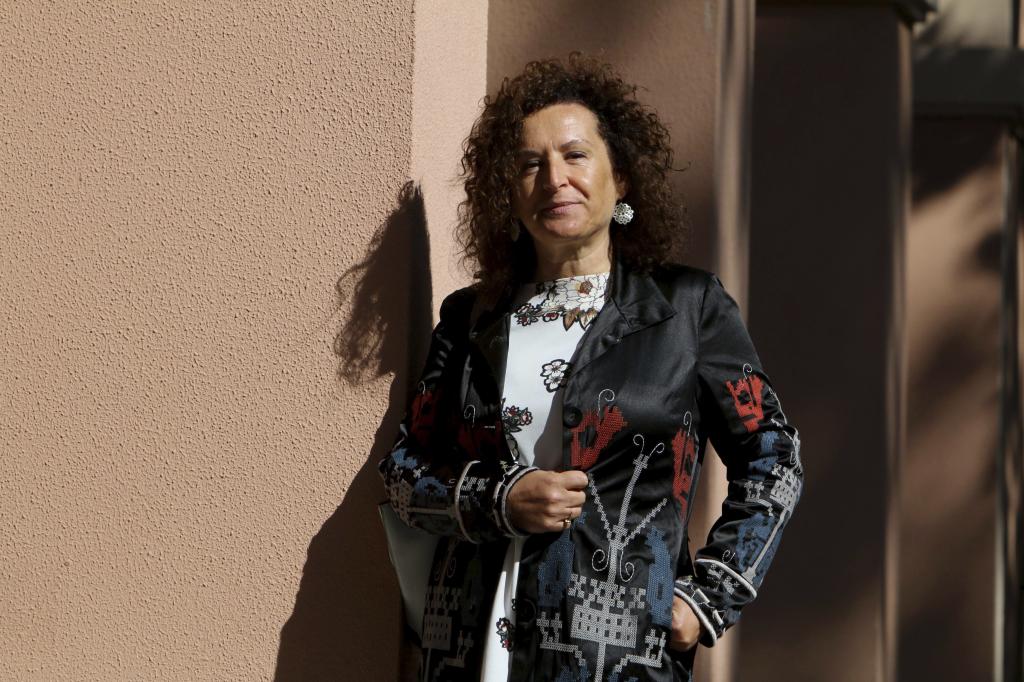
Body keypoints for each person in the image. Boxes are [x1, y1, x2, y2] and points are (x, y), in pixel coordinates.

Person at [378, 52, 803, 682]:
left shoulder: (687, 308)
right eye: (530, 163)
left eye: (575, 156)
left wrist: (706, 599)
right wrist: (496, 499)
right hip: (472, 654)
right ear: (511, 191)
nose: (554, 178)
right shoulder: (470, 318)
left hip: (624, 661)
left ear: (620, 178)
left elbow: (775, 455)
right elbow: (402, 474)